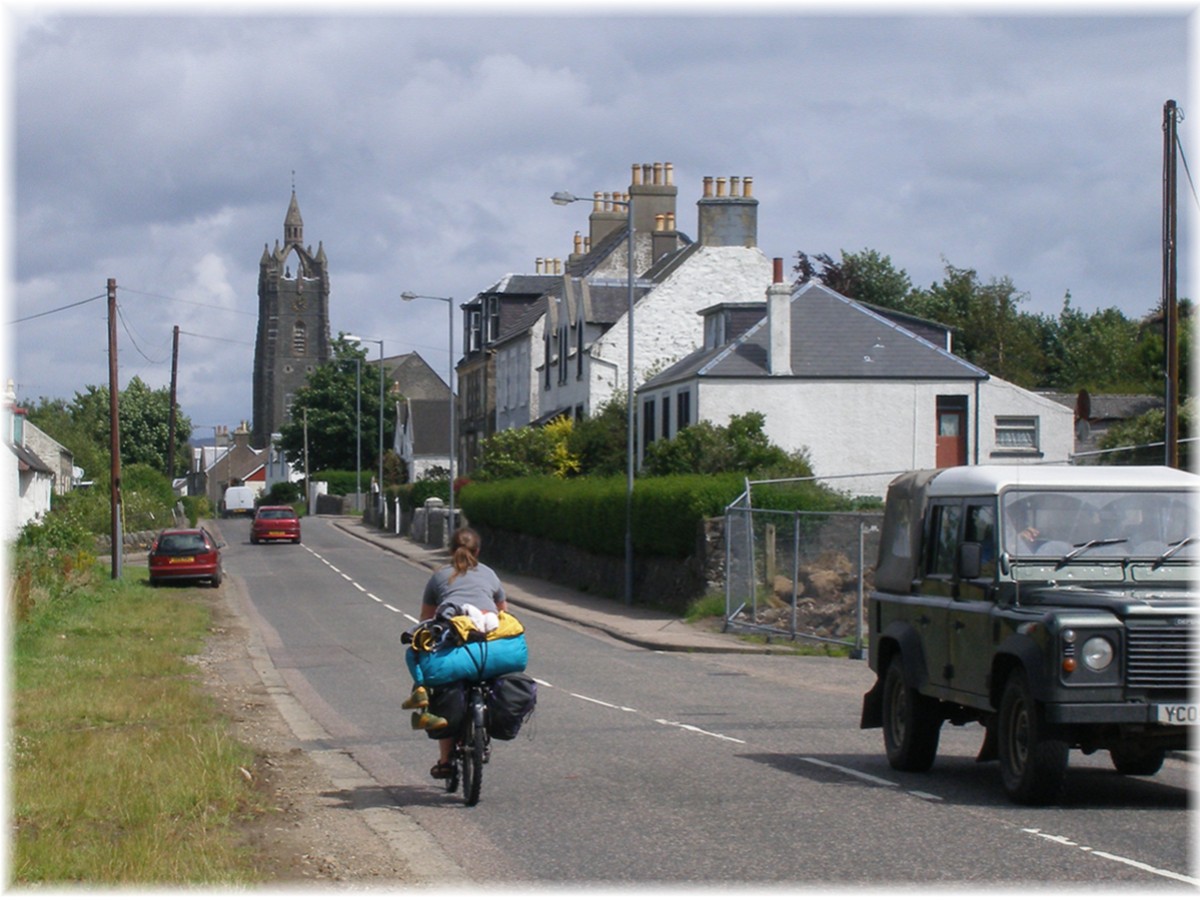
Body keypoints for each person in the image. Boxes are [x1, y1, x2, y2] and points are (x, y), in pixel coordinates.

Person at [402, 526, 508, 780]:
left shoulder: (440, 576)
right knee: (492, 682)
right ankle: (485, 732)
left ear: (450, 551)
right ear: (478, 551)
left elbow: (426, 618)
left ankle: (445, 760)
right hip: (487, 647)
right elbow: (503, 613)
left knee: (445, 689)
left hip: (455, 646)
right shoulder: (490, 575)